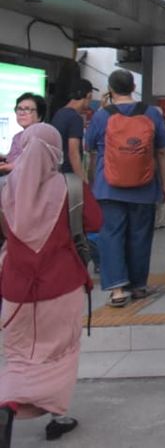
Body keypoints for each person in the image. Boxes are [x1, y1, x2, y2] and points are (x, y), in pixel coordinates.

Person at [0, 124, 102, 444]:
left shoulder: (4, 188)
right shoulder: (71, 185)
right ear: (55, 151)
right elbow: (96, 222)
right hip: (62, 286)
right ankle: (59, 417)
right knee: (60, 352)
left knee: (19, 356)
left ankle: (7, 405)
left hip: (16, 289)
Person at [85, 69, 165, 308]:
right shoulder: (151, 113)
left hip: (108, 188)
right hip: (144, 188)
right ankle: (139, 286)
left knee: (111, 236)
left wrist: (94, 182)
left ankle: (117, 290)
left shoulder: (102, 115)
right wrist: (164, 184)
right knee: (140, 237)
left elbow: (89, 148)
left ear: (110, 89)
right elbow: (162, 151)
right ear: (134, 87)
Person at [49, 81, 94, 182]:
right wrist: (82, 180)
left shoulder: (59, 113)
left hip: (57, 173)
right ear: (88, 95)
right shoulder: (75, 118)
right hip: (69, 176)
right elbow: (73, 152)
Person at [0, 92, 47, 174]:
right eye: (19, 109)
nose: (22, 113)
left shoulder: (44, 135)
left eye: (27, 109)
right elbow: (12, 159)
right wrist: (4, 160)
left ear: (39, 116)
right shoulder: (17, 137)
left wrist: (10, 166)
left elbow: (36, 164)